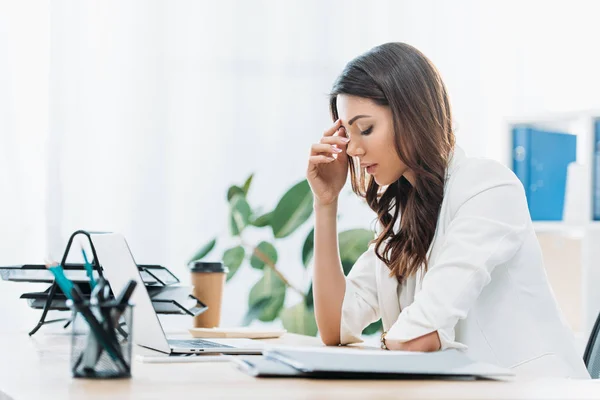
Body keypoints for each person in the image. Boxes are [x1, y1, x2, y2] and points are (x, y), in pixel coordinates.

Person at [306, 42, 589, 378]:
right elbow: (335, 326)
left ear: (412, 114)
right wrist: (325, 203)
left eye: (365, 129)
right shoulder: (403, 214)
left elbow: (421, 335)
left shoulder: (487, 187)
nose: (352, 148)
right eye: (347, 134)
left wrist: (386, 340)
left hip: (533, 391)